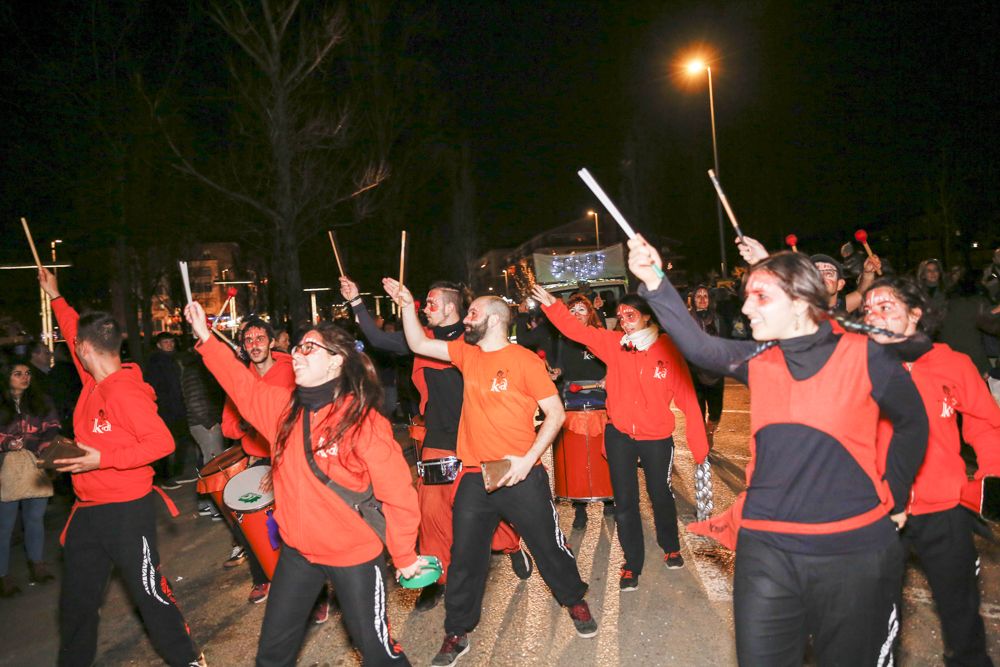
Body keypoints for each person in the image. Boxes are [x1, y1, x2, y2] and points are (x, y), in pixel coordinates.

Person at [627, 236, 928, 665]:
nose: (746, 308)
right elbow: (699, 347)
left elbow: (913, 422)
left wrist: (897, 493)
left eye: (760, 296)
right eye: (746, 296)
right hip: (767, 551)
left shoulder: (866, 356)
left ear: (801, 300)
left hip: (854, 553)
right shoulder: (759, 359)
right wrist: (654, 279)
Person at [185, 301, 421, 667]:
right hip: (298, 552)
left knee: (377, 652)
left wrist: (405, 555)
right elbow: (241, 385)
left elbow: (398, 492)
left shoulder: (362, 420)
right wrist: (204, 336)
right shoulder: (282, 409)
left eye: (309, 347)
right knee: (272, 654)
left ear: (336, 361)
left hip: (353, 554)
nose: (296, 353)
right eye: (296, 347)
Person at [383, 279, 596, 667]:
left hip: (519, 473)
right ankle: (457, 631)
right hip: (473, 474)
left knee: (548, 545)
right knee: (464, 557)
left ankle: (575, 600)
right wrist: (405, 306)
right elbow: (417, 344)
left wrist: (528, 459)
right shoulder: (467, 354)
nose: (466, 318)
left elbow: (556, 414)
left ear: (495, 319)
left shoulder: (524, 361)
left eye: (473, 312)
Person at [38, 268, 203, 667]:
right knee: (76, 606)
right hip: (88, 514)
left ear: (82, 350)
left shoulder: (125, 392)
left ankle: (189, 662)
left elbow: (161, 443)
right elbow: (76, 329)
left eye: (75, 345)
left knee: (150, 594)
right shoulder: (93, 379)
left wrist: (101, 459)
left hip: (128, 512)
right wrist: (56, 297)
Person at [340, 277, 532, 613]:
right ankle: (436, 578)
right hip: (439, 438)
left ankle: (512, 545)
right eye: (424, 303)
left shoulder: (476, 337)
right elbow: (377, 338)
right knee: (431, 512)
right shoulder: (421, 340)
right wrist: (357, 301)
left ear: (449, 307)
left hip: (478, 435)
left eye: (431, 303)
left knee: (487, 503)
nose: (426, 309)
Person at [863, 275, 1000, 666]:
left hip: (945, 508)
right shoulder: (857, 366)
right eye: (869, 310)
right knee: (874, 621)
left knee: (962, 618)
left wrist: (989, 476)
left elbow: (985, 424)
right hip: (879, 511)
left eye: (886, 307)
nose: (874, 316)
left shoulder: (952, 364)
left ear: (916, 314)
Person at [533, 286, 708, 588]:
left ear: (647, 318)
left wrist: (700, 449)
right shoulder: (615, 345)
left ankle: (671, 546)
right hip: (620, 435)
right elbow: (578, 332)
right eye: (620, 317)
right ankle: (632, 563)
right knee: (625, 502)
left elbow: (689, 401)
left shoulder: (667, 351)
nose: (624, 322)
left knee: (660, 494)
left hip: (655, 436)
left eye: (631, 316)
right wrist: (553, 306)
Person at [220, 317, 295, 605]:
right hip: (259, 457)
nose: (254, 345)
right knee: (251, 524)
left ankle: (312, 582)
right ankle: (261, 578)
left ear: (272, 341)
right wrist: (245, 423)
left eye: (260, 338)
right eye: (248, 340)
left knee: (298, 521)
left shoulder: (291, 370)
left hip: (290, 454)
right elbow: (227, 426)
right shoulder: (240, 379)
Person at [545, 293, 612, 530]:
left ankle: (609, 500)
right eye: (572, 311)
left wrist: (608, 377)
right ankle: (579, 507)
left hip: (600, 399)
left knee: (602, 451)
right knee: (576, 455)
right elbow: (562, 367)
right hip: (572, 399)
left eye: (581, 310)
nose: (575, 315)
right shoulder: (564, 339)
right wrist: (556, 373)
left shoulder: (599, 336)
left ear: (590, 314)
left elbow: (614, 363)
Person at [0, 360, 60, 596]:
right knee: (5, 525)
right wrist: (6, 442)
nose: (24, 377)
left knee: (35, 518)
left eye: (27, 373)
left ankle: (38, 565)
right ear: (6, 376)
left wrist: (44, 444)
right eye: (17, 373)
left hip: (35, 464)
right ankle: (3, 576)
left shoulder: (40, 400)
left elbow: (53, 425)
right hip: (6, 466)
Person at [146, 333, 193, 488]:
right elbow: (154, 387)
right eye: (165, 342)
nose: (169, 344)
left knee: (182, 440)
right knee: (167, 443)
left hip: (179, 407)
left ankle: (177, 473)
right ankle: (165, 477)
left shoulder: (176, 359)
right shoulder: (156, 362)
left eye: (171, 341)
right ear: (159, 345)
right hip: (166, 409)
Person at [688, 285, 729, 446]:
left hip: (715, 372)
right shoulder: (687, 320)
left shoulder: (718, 319)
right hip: (693, 372)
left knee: (715, 410)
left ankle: (709, 430)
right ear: (693, 300)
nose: (703, 299)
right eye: (699, 296)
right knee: (697, 409)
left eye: (706, 296)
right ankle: (703, 437)